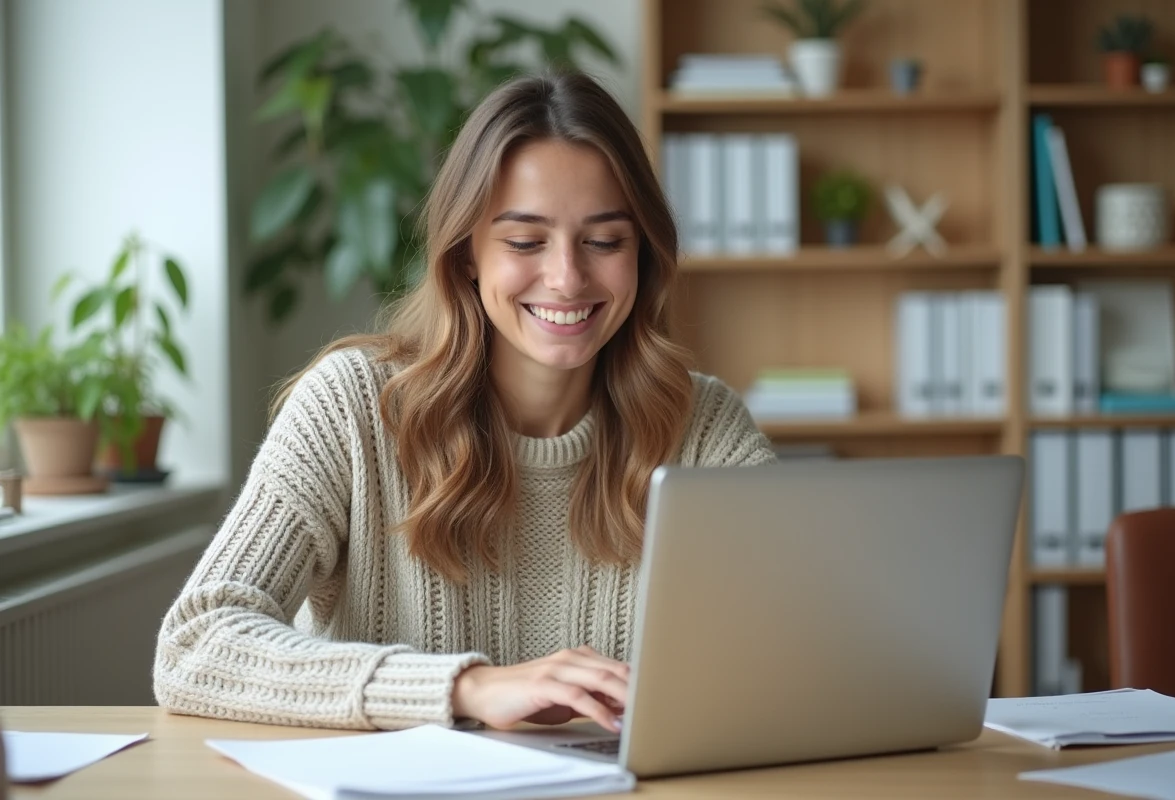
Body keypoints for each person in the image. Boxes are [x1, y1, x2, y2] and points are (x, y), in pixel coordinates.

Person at [153, 71, 775, 735]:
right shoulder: (351, 407)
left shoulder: (704, 426)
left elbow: (821, 636)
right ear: (467, 255)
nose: (567, 277)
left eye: (604, 241)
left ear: (643, 255)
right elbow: (196, 645)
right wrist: (465, 687)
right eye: (525, 241)